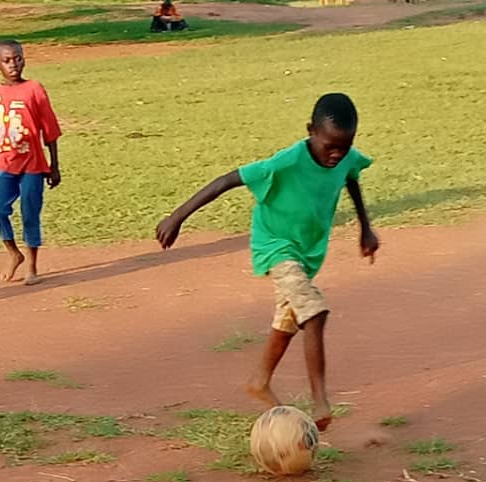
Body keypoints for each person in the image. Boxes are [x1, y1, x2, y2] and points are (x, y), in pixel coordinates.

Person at [155, 93, 378, 430]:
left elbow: (351, 177)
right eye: (329, 146)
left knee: (289, 320)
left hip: (307, 253)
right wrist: (177, 217)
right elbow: (227, 180)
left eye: (344, 147)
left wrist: (366, 228)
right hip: (275, 247)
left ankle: (260, 380)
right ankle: (320, 400)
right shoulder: (285, 163)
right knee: (314, 311)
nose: (336, 154)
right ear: (311, 131)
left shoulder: (346, 158)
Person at [0, 40, 61, 285]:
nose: (13, 64)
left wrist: (54, 165)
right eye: (7, 61)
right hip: (5, 163)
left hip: (33, 163)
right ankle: (14, 253)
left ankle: (32, 266)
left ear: (24, 59)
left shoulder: (35, 89)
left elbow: (50, 130)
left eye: (17, 59)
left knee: (30, 213)